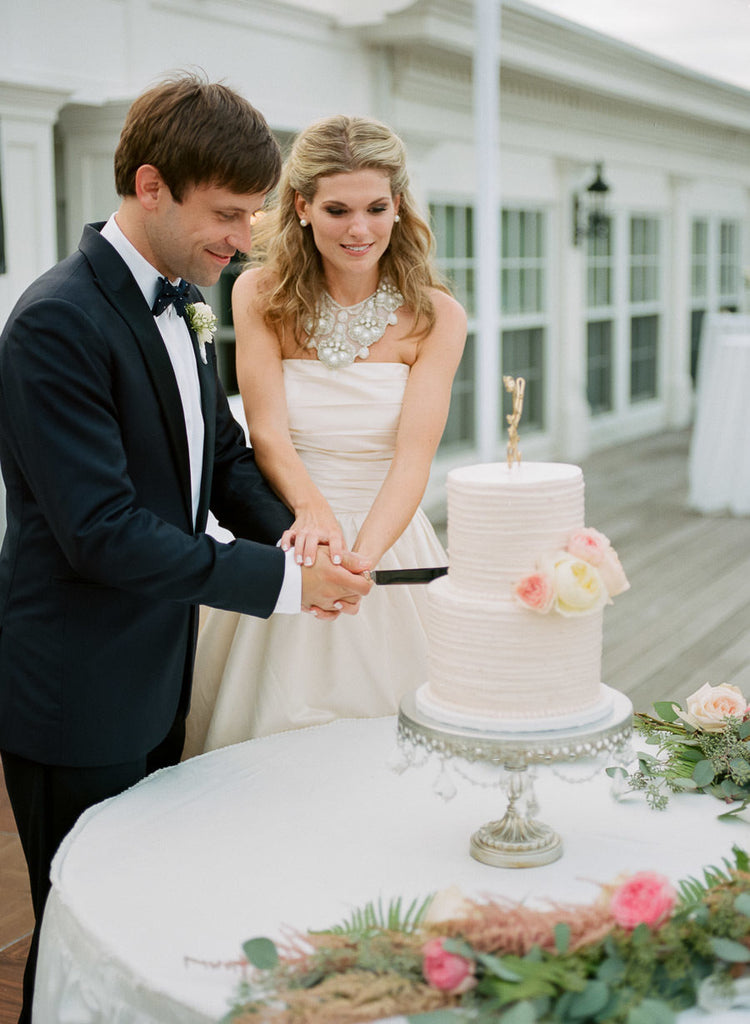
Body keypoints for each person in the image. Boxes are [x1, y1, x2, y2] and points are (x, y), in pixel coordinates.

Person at [0, 75, 371, 1024]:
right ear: (152, 185)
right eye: (229, 214)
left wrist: (296, 522)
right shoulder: (56, 322)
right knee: (82, 924)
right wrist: (287, 582)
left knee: (154, 909)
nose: (245, 241)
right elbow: (103, 535)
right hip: (76, 690)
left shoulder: (185, 299)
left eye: (250, 215)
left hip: (166, 671)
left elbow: (223, 455)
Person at [184, 114, 466, 753]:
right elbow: (268, 433)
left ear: (399, 208)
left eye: (376, 207)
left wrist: (359, 560)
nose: (359, 229)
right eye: (338, 209)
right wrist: (312, 524)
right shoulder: (258, 292)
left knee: (400, 738)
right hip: (287, 529)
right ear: (302, 206)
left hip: (387, 534)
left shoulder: (437, 316)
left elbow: (413, 460)